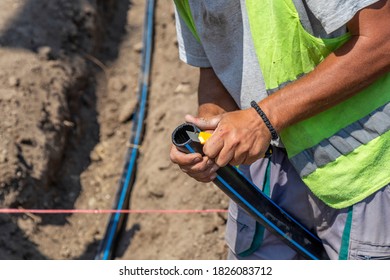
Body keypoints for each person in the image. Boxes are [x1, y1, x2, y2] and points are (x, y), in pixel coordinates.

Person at [170, 0, 390, 260]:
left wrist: (264, 118)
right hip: (267, 163)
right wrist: (209, 129)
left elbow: (381, 39)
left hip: (364, 167)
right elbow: (213, 68)